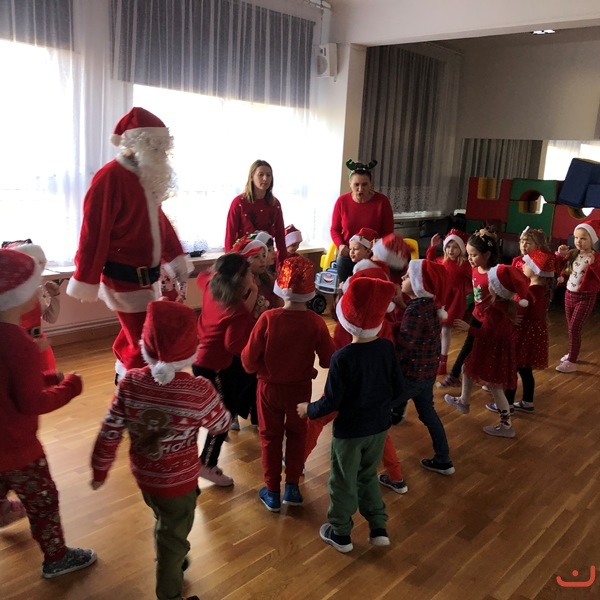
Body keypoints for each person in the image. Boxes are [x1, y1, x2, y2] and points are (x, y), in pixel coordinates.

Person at [91, 300, 230, 600]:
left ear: (145, 344)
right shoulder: (198, 389)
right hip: (178, 482)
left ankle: (173, 551)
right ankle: (170, 590)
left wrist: (100, 468)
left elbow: (109, 428)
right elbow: (220, 424)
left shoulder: (130, 382)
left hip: (145, 475)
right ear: (192, 348)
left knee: (164, 519)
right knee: (174, 531)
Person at [67, 107, 192, 381]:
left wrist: (176, 257)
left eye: (164, 148)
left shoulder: (145, 176)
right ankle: (136, 390)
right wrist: (85, 276)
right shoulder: (110, 177)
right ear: (139, 144)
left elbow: (159, 223)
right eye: (157, 147)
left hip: (148, 279)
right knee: (144, 344)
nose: (162, 154)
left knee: (136, 335)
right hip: (123, 279)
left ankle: (124, 374)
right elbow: (93, 232)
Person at [0, 248, 96, 578]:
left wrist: (46, 378)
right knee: (43, 500)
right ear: (20, 295)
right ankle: (57, 558)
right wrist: (69, 387)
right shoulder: (21, 344)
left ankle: (2, 511)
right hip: (20, 449)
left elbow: (7, 385)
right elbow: (32, 403)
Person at [297, 276, 402, 553]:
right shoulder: (387, 349)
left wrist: (308, 409)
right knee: (367, 475)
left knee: (342, 480)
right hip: (378, 428)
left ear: (344, 318)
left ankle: (341, 533)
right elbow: (400, 389)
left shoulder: (342, 358)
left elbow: (331, 403)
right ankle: (378, 527)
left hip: (350, 434)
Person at [241, 256, 335, 512]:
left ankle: (272, 491)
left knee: (270, 438)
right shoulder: (316, 322)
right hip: (300, 391)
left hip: (269, 389)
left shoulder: (268, 319)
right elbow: (328, 360)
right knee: (297, 435)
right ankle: (292, 487)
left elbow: (248, 362)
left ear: (280, 286)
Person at [193, 253, 258, 485]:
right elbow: (234, 345)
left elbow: (201, 276)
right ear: (241, 281)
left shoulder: (210, 285)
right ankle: (207, 464)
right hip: (214, 366)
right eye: (250, 274)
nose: (253, 277)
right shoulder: (238, 311)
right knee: (223, 414)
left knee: (218, 407)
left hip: (199, 359)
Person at [445, 264, 531, 438]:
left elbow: (489, 334)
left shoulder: (495, 310)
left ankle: (506, 425)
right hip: (494, 351)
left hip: (492, 352)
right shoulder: (507, 306)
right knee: (467, 369)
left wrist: (469, 328)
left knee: (495, 388)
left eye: (491, 282)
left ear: (497, 289)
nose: (488, 284)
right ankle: (464, 401)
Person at [392, 259, 455, 475]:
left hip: (410, 375)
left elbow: (405, 344)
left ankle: (374, 460)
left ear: (420, 283)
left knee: (377, 407)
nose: (403, 277)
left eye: (408, 276)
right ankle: (444, 459)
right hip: (426, 374)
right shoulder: (427, 305)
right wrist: (401, 304)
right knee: (428, 415)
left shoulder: (415, 309)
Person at [485, 249, 555, 414]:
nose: (522, 266)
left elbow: (522, 312)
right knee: (525, 369)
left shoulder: (531, 292)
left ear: (535, 271)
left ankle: (507, 404)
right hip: (532, 336)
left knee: (512, 370)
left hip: (523, 336)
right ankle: (527, 402)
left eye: (527, 264)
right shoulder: (542, 289)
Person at [437, 228, 500, 388]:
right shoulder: (473, 269)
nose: (469, 258)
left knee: (487, 348)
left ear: (486, 255)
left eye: (473, 255)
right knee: (469, 346)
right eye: (469, 254)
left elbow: (506, 297)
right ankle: (454, 375)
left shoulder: (494, 274)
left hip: (490, 319)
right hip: (477, 314)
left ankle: (492, 378)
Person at [330, 160, 394, 282]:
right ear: (350, 184)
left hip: (373, 254)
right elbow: (335, 229)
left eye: (364, 184)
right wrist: (340, 245)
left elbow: (388, 232)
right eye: (356, 185)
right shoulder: (342, 201)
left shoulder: (382, 201)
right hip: (349, 253)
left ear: (370, 184)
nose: (360, 189)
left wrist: (378, 245)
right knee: (343, 282)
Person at [1, 241, 61, 371]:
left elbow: (51, 318)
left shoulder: (34, 293)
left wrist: (55, 296)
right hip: (19, 349)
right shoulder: (10, 301)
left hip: (38, 345)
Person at [554, 220, 600, 373]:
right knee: (571, 328)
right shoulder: (573, 253)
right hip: (569, 294)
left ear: (592, 240)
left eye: (583, 238)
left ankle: (572, 362)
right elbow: (558, 266)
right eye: (576, 238)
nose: (578, 241)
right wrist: (560, 255)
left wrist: (593, 264)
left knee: (575, 327)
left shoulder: (596, 257)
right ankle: (573, 353)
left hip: (586, 297)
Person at [426, 229, 472, 375]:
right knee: (435, 330)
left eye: (455, 247)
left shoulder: (464, 264)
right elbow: (428, 264)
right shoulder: (440, 261)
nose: (451, 250)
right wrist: (432, 247)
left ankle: (443, 361)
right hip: (440, 299)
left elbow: (474, 277)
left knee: (446, 330)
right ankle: (433, 357)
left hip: (454, 302)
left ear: (461, 249)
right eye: (449, 247)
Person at [224, 160, 287, 265]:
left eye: (268, 175)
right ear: (252, 177)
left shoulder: (275, 204)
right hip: (245, 260)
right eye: (261, 175)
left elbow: (280, 235)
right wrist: (229, 263)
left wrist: (282, 261)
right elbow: (230, 235)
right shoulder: (239, 202)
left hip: (267, 259)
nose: (265, 178)